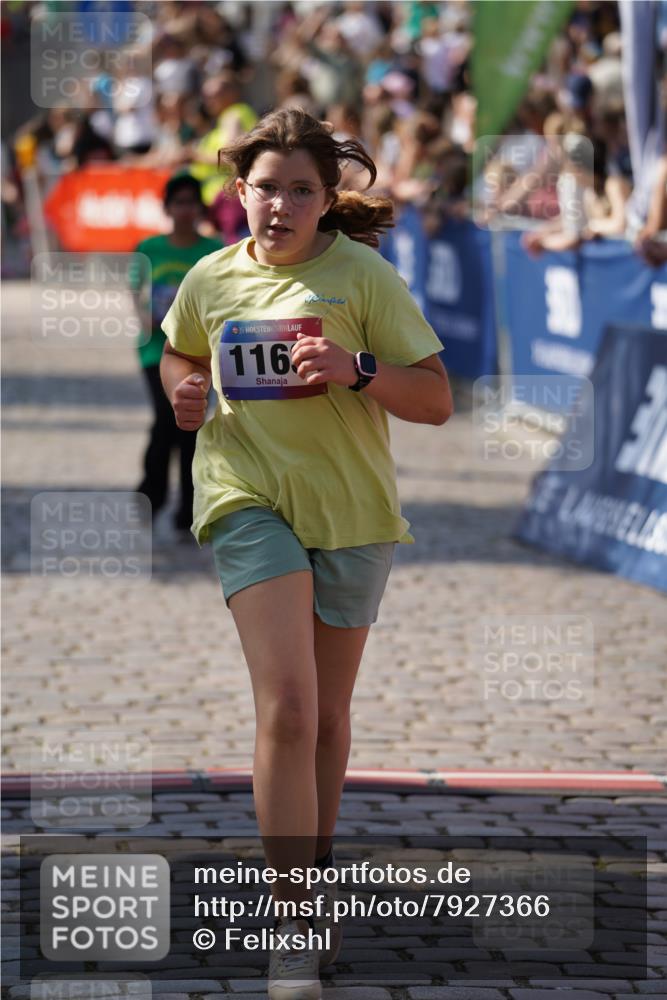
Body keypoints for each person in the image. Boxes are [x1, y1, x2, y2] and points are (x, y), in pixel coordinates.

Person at [160, 108, 453, 998]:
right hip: (245, 499)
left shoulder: (362, 276)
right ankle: (292, 921)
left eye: (299, 190)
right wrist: (183, 396)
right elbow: (179, 359)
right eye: (263, 189)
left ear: (328, 201)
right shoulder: (208, 279)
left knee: (326, 719)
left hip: (353, 511)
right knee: (287, 707)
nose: (278, 205)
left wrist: (355, 369)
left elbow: (436, 401)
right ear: (236, 193)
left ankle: (312, 873)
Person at [132, 173, 221, 534]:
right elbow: (137, 294)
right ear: (167, 207)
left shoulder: (213, 251)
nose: (185, 210)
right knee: (165, 420)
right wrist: (149, 318)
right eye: (179, 202)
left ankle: (189, 507)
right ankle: (151, 494)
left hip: (201, 356)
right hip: (156, 351)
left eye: (191, 202)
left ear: (201, 208)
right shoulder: (148, 248)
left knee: (192, 428)